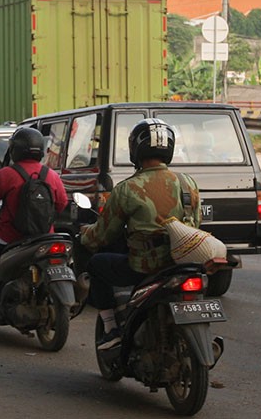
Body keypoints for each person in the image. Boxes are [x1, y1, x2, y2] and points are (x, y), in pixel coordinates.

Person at [80, 118, 201, 350]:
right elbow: (196, 224)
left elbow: (103, 235)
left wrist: (85, 235)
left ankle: (110, 329)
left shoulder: (127, 188)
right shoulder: (188, 183)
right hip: (185, 263)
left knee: (96, 264)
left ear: (136, 149)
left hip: (146, 266)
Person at [0, 127, 68, 308]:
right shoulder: (52, 175)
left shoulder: (6, 174)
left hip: (11, 238)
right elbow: (62, 203)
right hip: (44, 237)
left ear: (15, 150)